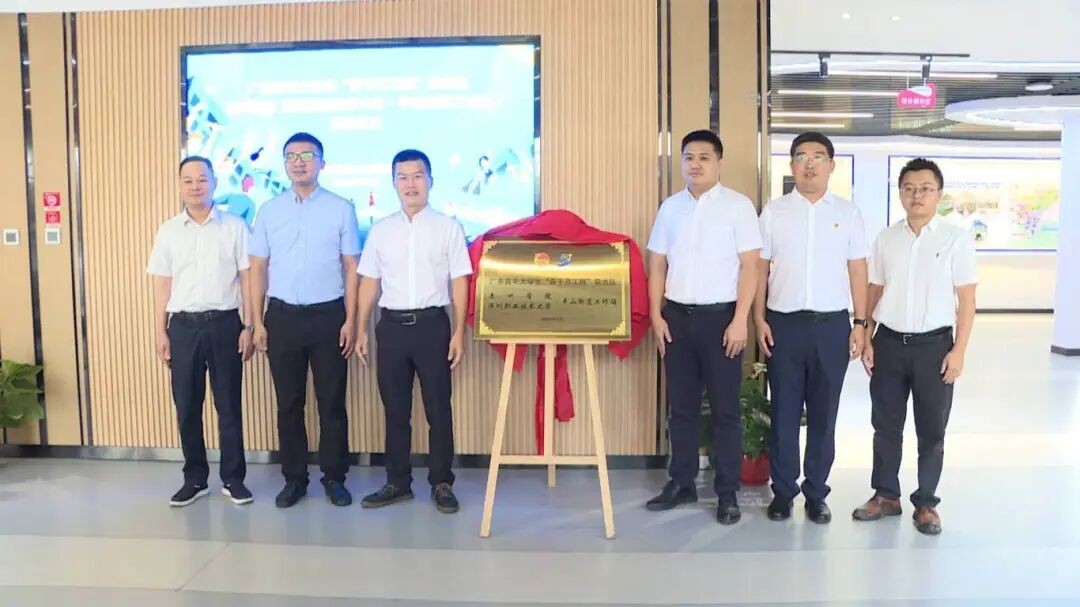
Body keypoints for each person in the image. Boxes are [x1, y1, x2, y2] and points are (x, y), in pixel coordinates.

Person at [853, 158, 977, 536]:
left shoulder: (956, 239)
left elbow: (966, 300)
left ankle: (926, 503)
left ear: (939, 194)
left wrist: (959, 351)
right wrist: (867, 334)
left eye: (925, 188)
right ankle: (886, 495)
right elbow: (875, 289)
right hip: (889, 343)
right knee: (885, 426)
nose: (916, 195)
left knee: (932, 429)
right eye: (908, 188)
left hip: (934, 348)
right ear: (900, 194)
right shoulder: (886, 238)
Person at [644, 130, 761, 524]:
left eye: (704, 157)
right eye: (688, 157)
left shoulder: (738, 206)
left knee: (726, 410)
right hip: (676, 318)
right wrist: (656, 315)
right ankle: (682, 483)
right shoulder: (670, 208)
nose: (695, 164)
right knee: (681, 408)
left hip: (721, 320)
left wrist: (740, 320)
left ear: (719, 163)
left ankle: (727, 492)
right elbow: (657, 263)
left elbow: (750, 266)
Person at [754, 131, 869, 524]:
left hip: (831, 327)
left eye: (818, 157)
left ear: (831, 165)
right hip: (783, 325)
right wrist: (758, 319)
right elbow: (759, 269)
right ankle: (783, 492)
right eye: (801, 157)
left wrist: (860, 323)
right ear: (791, 165)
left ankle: (816, 493)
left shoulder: (848, 213)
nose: (809, 164)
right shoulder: (774, 212)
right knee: (784, 414)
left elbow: (858, 269)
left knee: (824, 416)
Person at [356, 149, 472, 514]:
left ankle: (441, 482)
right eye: (403, 177)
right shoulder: (381, 230)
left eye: (417, 176)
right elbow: (369, 282)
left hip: (432, 326)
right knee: (395, 409)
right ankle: (398, 482)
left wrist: (459, 331)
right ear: (394, 184)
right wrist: (360, 328)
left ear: (430, 181)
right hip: (391, 328)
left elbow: (461, 281)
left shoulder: (449, 228)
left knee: (438, 408)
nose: (410, 184)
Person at [249, 132, 361, 508]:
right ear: (284, 164)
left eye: (307, 155)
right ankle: (294, 479)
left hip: (329, 316)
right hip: (281, 317)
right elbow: (257, 268)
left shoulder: (341, 208)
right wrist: (257, 322)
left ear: (322, 163)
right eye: (291, 156)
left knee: (332, 402)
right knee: (288, 404)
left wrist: (351, 319)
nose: (299, 162)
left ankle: (334, 478)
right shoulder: (269, 210)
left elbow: (351, 267)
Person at [147, 155, 255, 507]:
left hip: (225, 324)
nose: (195, 186)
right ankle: (195, 479)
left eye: (202, 179)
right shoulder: (168, 230)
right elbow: (162, 285)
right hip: (182, 327)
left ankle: (233, 479)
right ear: (180, 186)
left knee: (229, 406)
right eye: (188, 180)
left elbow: (247, 279)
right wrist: (160, 331)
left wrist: (249, 325)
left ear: (214, 183)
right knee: (187, 406)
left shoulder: (234, 227)